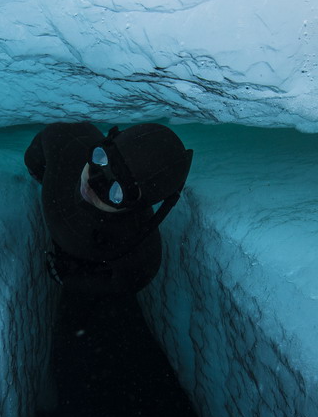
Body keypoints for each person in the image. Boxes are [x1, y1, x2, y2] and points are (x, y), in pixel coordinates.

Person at [24, 122, 193, 296]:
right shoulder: (66, 137)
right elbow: (35, 154)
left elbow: (121, 285)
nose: (92, 182)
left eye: (118, 191)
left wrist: (69, 280)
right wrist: (66, 279)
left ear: (137, 206)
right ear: (107, 141)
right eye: (102, 158)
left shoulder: (140, 255)